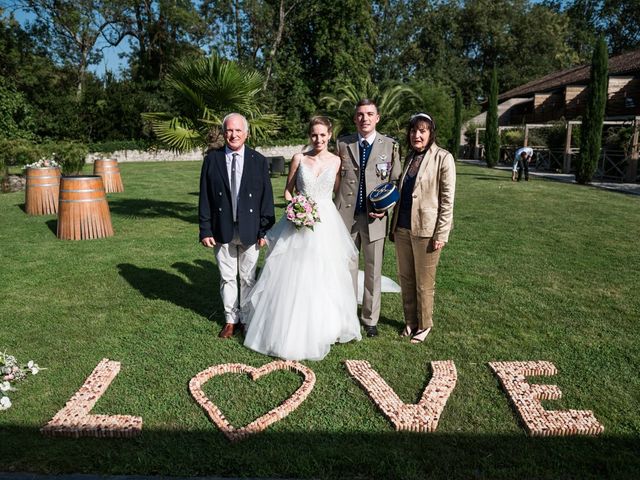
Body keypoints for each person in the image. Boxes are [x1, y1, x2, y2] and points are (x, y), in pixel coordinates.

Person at [243, 116, 361, 361]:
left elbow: (336, 192)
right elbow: (288, 190)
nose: (318, 139)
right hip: (297, 221)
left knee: (323, 273)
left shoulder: (337, 161)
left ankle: (324, 327)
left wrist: (317, 210)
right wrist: (296, 206)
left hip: (325, 223)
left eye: (323, 135)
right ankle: (287, 326)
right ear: (310, 135)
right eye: (314, 135)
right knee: (292, 273)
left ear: (330, 135)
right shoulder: (299, 158)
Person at [198, 113, 275, 338]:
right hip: (222, 229)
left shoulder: (258, 160)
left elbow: (266, 199)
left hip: (251, 229)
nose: (234, 135)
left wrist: (265, 230)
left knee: (248, 277)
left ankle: (247, 320)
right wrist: (205, 229)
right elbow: (205, 197)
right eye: (230, 130)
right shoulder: (212, 160)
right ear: (224, 133)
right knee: (227, 276)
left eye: (238, 130)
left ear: (246, 133)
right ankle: (231, 320)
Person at [335, 99, 402, 337]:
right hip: (346, 216)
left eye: (369, 114)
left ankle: (370, 319)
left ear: (378, 118)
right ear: (355, 119)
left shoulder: (390, 145)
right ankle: (346, 314)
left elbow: (395, 182)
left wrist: (385, 207)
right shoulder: (343, 144)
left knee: (373, 269)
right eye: (360, 114)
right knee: (347, 269)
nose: (365, 118)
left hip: (375, 218)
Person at [389, 113, 455, 344]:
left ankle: (425, 324)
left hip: (427, 231)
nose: (417, 135)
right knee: (406, 278)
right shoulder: (409, 158)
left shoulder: (443, 158)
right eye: (414, 130)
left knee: (424, 283)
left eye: (422, 131)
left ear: (430, 133)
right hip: (403, 228)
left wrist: (441, 233)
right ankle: (410, 321)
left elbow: (447, 200)